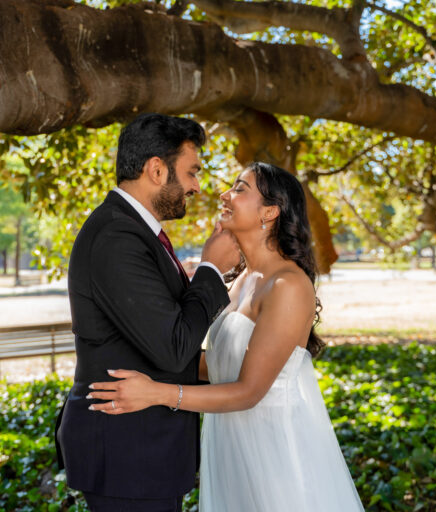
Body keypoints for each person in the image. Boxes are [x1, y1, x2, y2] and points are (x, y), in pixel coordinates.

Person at [88, 162, 365, 511]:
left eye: (240, 188)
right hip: (231, 444)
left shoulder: (288, 285)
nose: (224, 194)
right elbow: (217, 365)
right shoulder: (238, 282)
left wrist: (157, 394)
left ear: (270, 211)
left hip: (275, 452)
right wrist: (140, 363)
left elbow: (249, 391)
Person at [55, 113, 241, 512]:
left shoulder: (136, 231)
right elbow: (173, 347)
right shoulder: (117, 236)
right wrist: (210, 270)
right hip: (126, 453)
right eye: (192, 172)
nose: (196, 185)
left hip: (141, 450)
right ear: (156, 169)